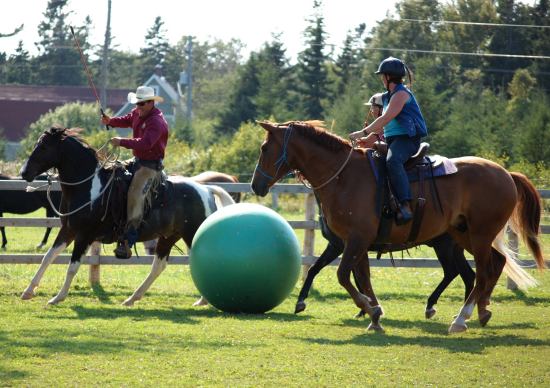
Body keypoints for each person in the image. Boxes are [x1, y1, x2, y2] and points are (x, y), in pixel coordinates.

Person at [350, 57, 428, 225]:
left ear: (388, 77)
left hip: (407, 140)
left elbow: (386, 118)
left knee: (393, 161)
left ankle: (405, 205)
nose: (381, 79)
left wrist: (362, 132)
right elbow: (385, 126)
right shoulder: (387, 97)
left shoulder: (401, 94)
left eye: (382, 75)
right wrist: (367, 139)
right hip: (394, 140)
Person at [101, 85, 169, 258]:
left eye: (142, 104)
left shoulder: (157, 122)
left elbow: (146, 143)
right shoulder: (138, 112)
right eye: (137, 104)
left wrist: (121, 141)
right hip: (137, 161)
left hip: (150, 166)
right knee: (112, 177)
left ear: (151, 103)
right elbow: (126, 119)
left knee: (135, 194)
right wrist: (111, 121)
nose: (138, 107)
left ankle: (127, 239)